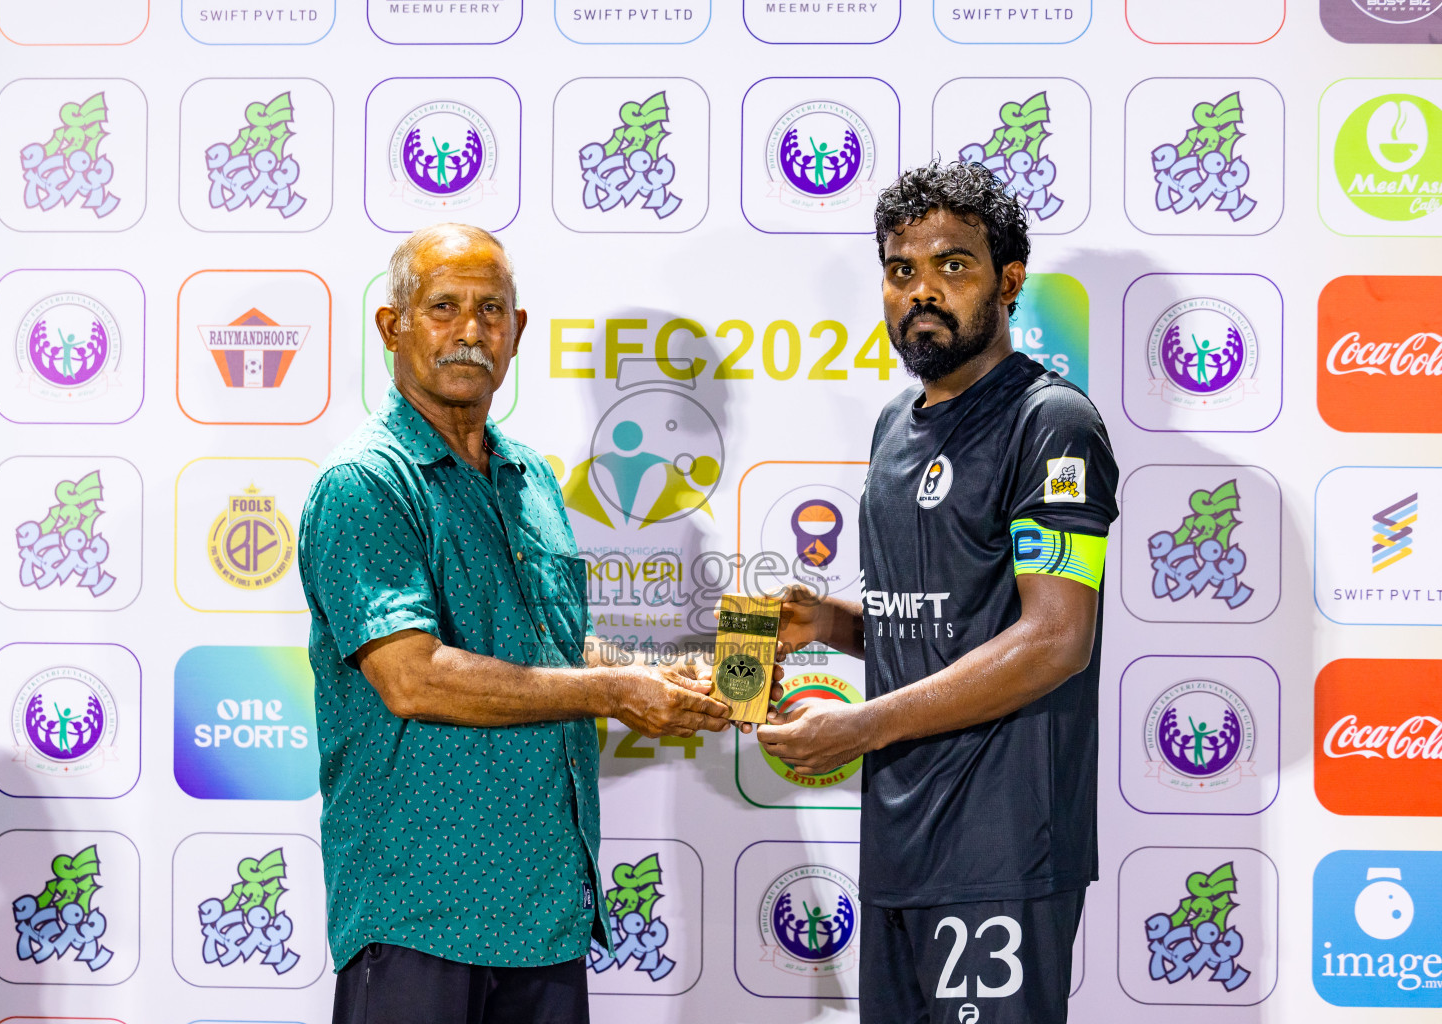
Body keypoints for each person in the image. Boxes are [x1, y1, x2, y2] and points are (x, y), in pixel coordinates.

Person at [297, 223, 732, 1024]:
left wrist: (657, 675)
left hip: (545, 915)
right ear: (392, 327)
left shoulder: (529, 477)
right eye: (443, 308)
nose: (470, 331)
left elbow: (552, 648)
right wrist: (612, 689)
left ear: (518, 332)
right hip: (420, 913)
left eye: (491, 310)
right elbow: (412, 677)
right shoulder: (365, 482)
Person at [757, 161, 1119, 1024]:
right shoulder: (894, 424)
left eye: (953, 266)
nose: (923, 291)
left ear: (1010, 281)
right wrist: (831, 623)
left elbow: (1056, 639)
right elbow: (938, 622)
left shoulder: (1051, 421)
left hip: (1002, 848)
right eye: (901, 269)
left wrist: (862, 723)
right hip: (900, 842)